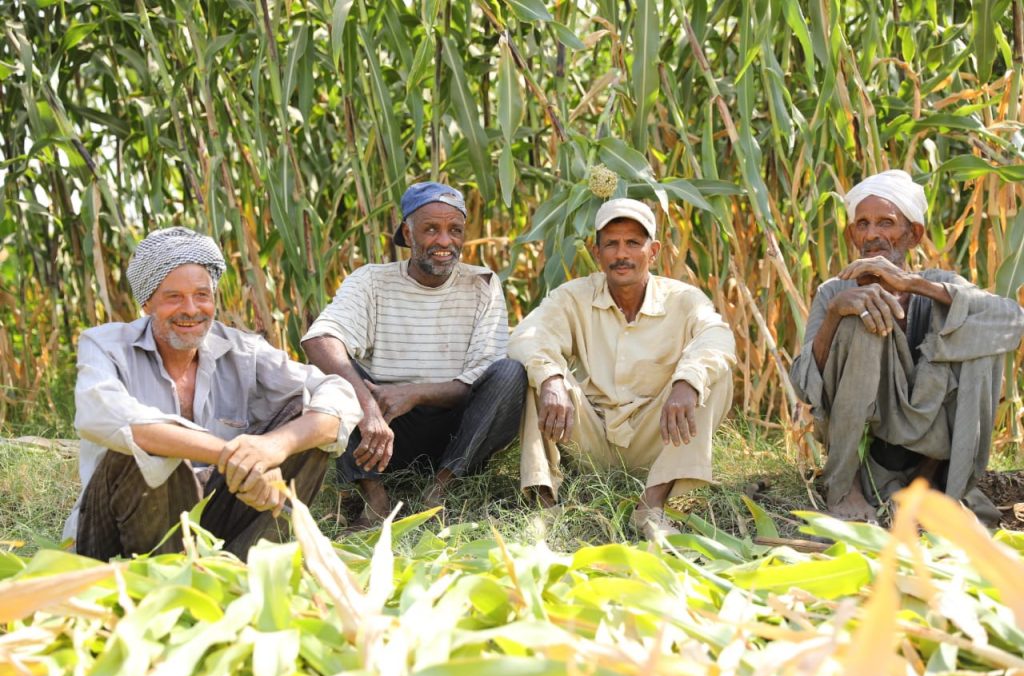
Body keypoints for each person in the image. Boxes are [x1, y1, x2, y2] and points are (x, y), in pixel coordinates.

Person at [67, 227, 362, 561]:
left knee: (306, 416)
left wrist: (272, 447)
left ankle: (248, 567)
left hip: (215, 519)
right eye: (173, 297)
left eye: (202, 295)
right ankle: (162, 577)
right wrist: (236, 457)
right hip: (118, 536)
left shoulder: (242, 350)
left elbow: (338, 394)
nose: (191, 309)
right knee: (142, 446)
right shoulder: (104, 345)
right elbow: (103, 416)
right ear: (147, 302)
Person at [790, 170, 1024, 525]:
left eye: (886, 223)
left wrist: (911, 284)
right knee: (861, 318)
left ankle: (928, 483)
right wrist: (838, 313)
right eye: (863, 224)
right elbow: (806, 385)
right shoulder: (834, 293)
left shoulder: (938, 285)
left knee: (971, 323)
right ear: (852, 234)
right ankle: (846, 485)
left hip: (932, 446)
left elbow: (1011, 321)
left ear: (913, 234)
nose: (873, 235)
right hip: (869, 449)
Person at [301, 182, 526, 529]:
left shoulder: (482, 284)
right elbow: (319, 340)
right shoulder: (371, 282)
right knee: (331, 376)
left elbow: (483, 376)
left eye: (454, 230)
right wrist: (370, 408)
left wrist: (415, 393)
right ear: (407, 232)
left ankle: (440, 490)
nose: (444, 241)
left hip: (458, 432)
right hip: (384, 429)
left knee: (510, 373)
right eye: (431, 229)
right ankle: (374, 495)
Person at [509, 198, 736, 540]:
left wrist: (687, 382)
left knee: (714, 378)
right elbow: (526, 335)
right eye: (611, 244)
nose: (621, 254)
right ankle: (544, 505)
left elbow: (718, 337)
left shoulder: (683, 299)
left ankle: (652, 505)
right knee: (532, 374)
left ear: (654, 251)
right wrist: (552, 379)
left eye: (633, 243)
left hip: (659, 435)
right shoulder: (573, 297)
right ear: (597, 252)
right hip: (591, 435)